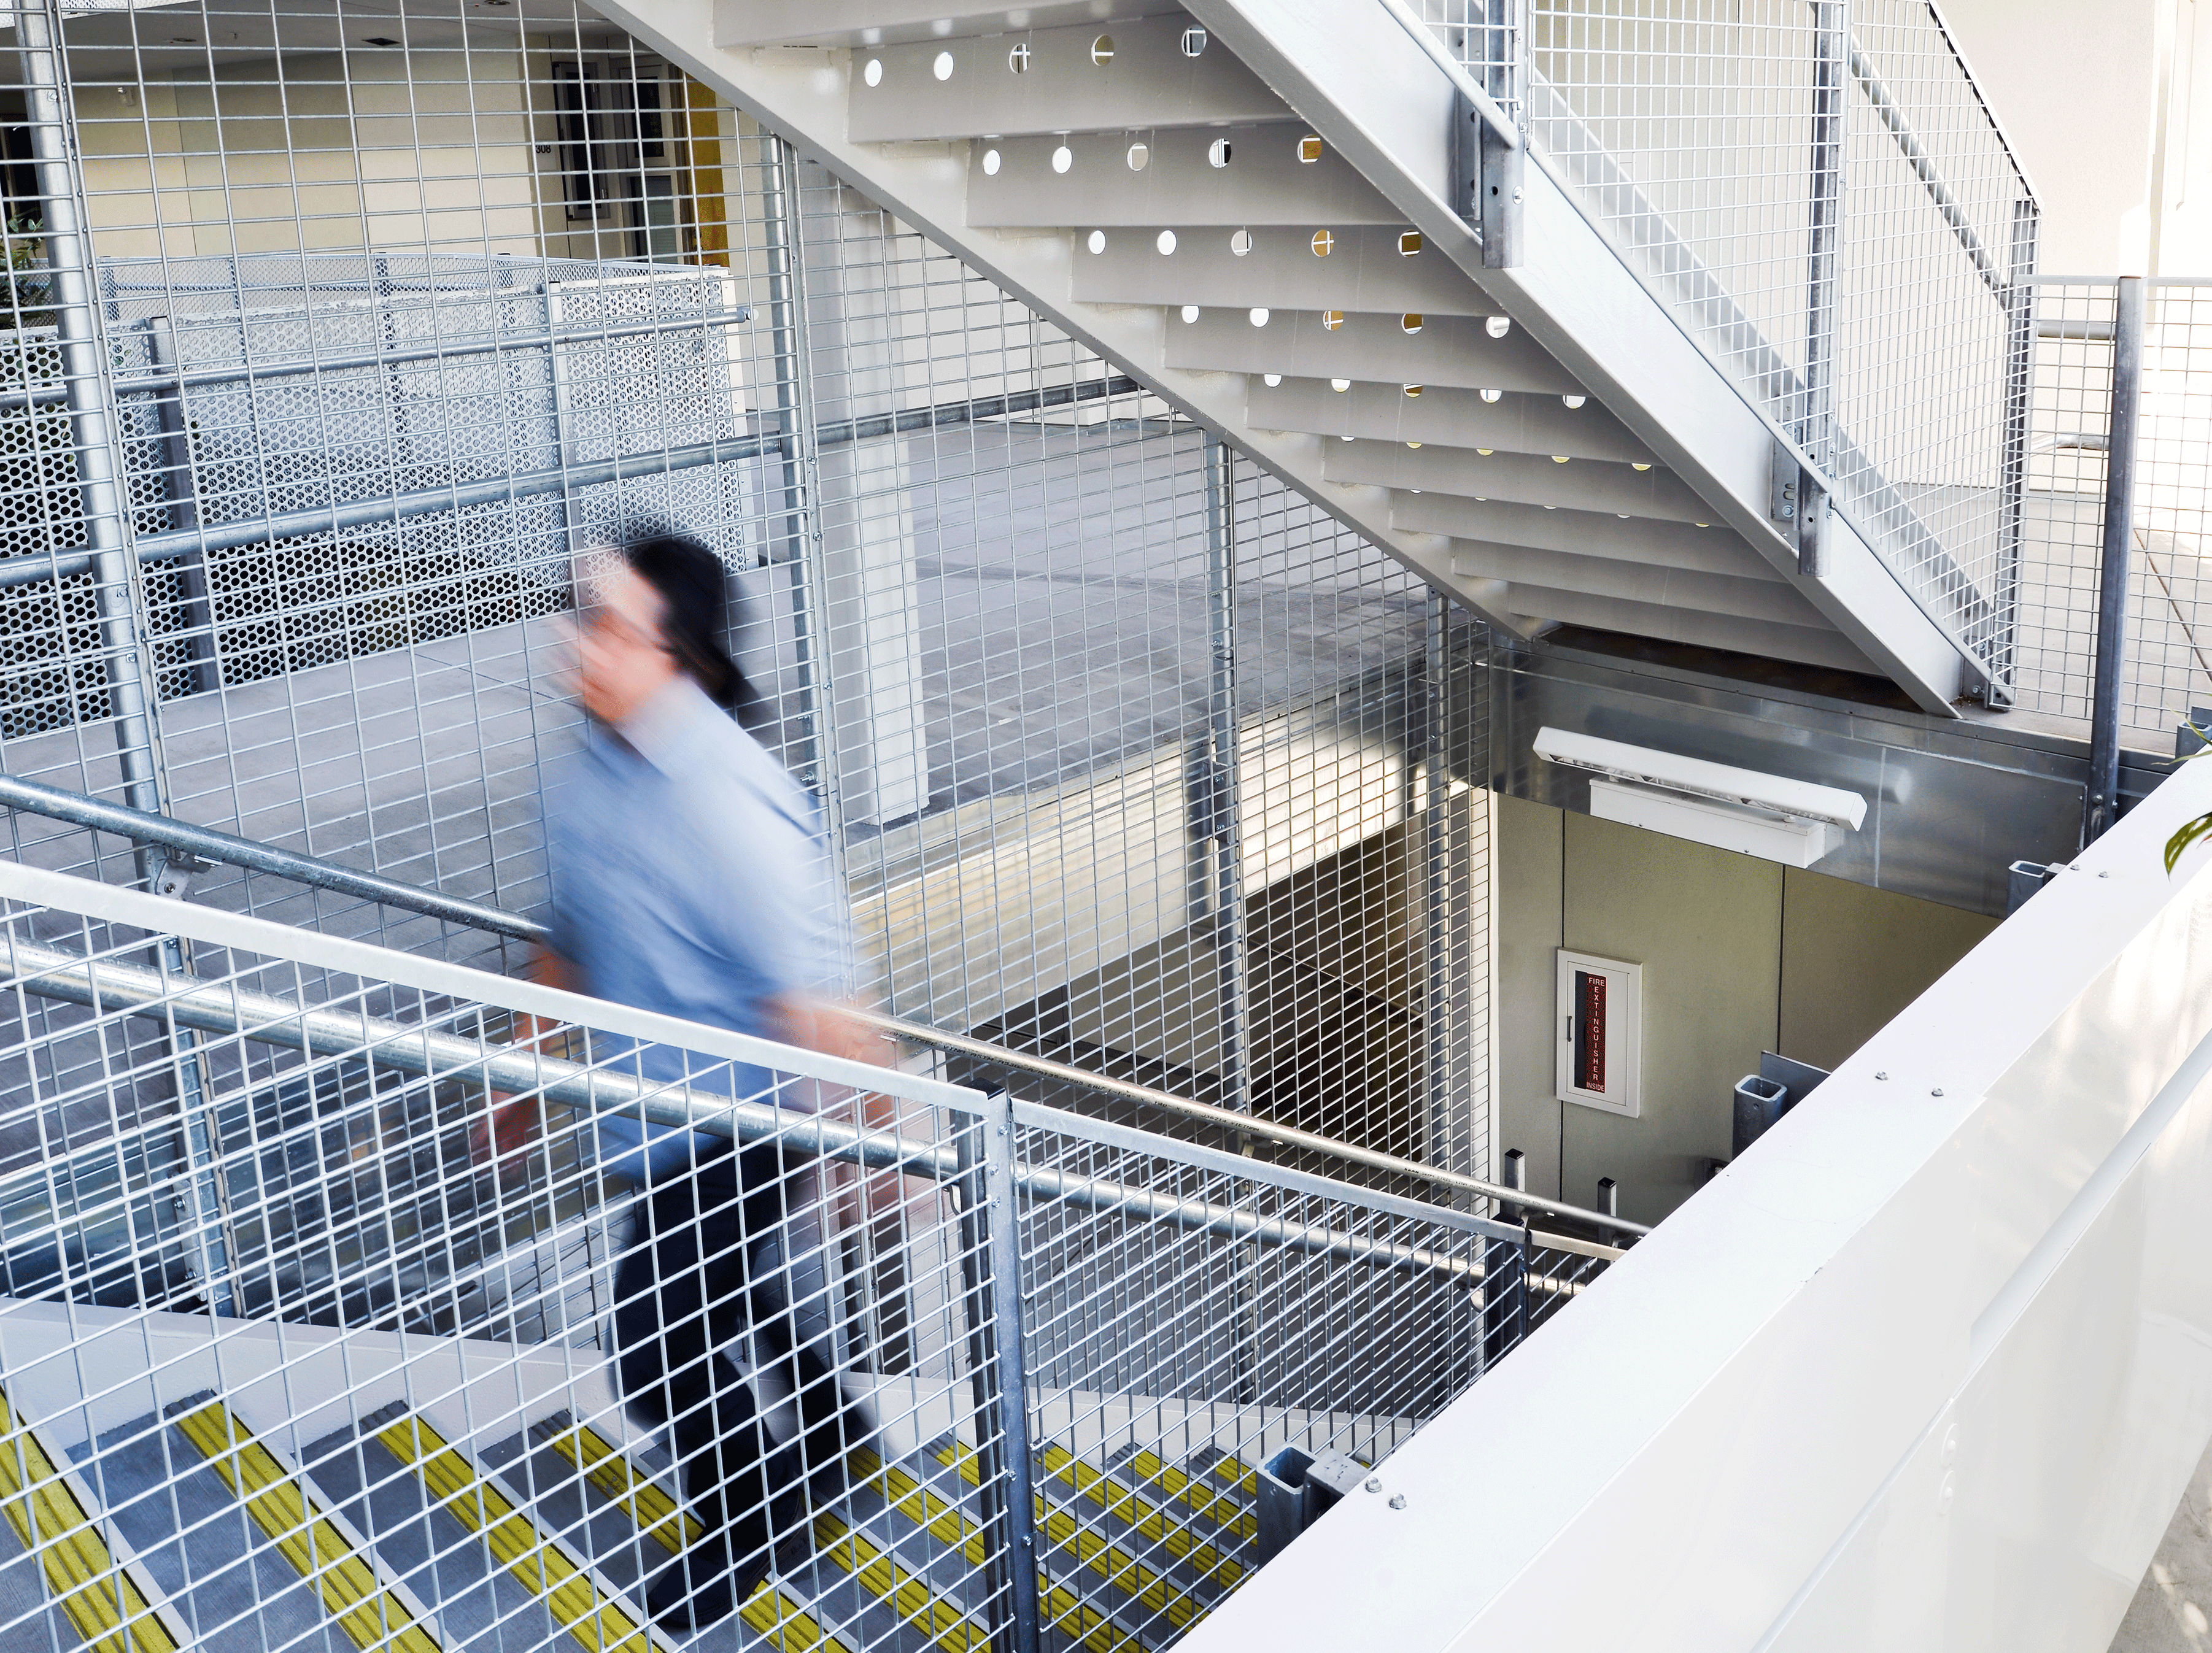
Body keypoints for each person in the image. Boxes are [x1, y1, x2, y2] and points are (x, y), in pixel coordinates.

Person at [481, 535, 880, 1632]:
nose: (577, 643)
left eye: (607, 625)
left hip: (741, 1118)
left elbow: (819, 1003)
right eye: (580, 616)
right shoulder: (584, 774)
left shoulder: (726, 796)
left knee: (655, 1348)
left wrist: (868, 1147)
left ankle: (750, 1524)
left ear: (678, 656)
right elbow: (569, 932)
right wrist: (522, 1065)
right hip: (646, 1115)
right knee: (728, 1299)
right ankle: (838, 1433)